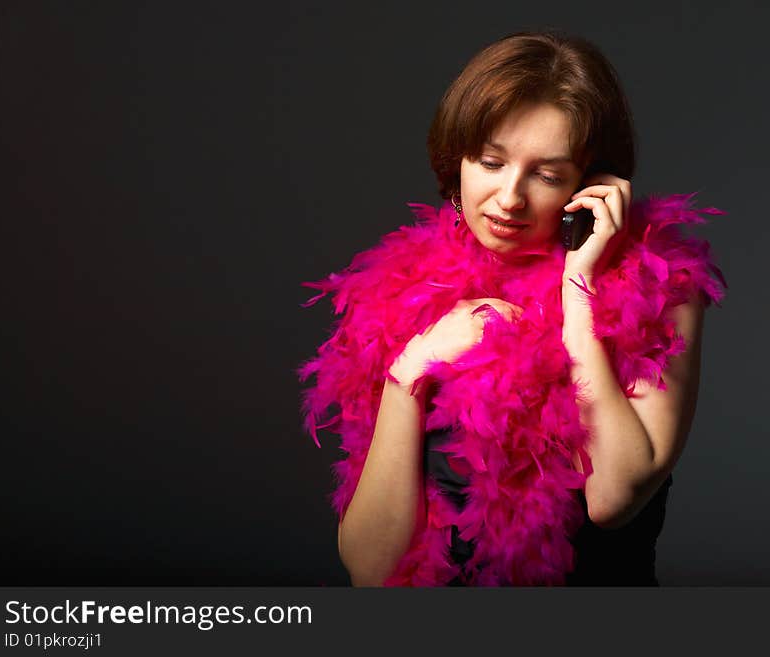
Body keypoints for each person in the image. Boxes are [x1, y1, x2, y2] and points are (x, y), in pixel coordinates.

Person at [300, 31, 726, 586]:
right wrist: (410, 371)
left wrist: (580, 295)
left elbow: (613, 498)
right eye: (491, 161)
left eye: (547, 175)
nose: (509, 198)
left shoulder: (661, 288)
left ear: (591, 184)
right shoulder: (402, 292)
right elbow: (370, 568)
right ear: (457, 161)